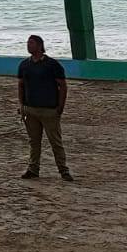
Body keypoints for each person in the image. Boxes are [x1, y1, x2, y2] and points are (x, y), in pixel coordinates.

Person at [17, 34, 73, 181]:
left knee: (55, 142)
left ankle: (63, 170)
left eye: (31, 43)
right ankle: (33, 169)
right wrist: (21, 105)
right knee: (34, 142)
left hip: (49, 109)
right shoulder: (24, 65)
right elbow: (21, 85)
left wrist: (60, 106)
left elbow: (62, 85)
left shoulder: (52, 65)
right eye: (28, 43)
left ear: (40, 45)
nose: (28, 45)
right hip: (30, 109)